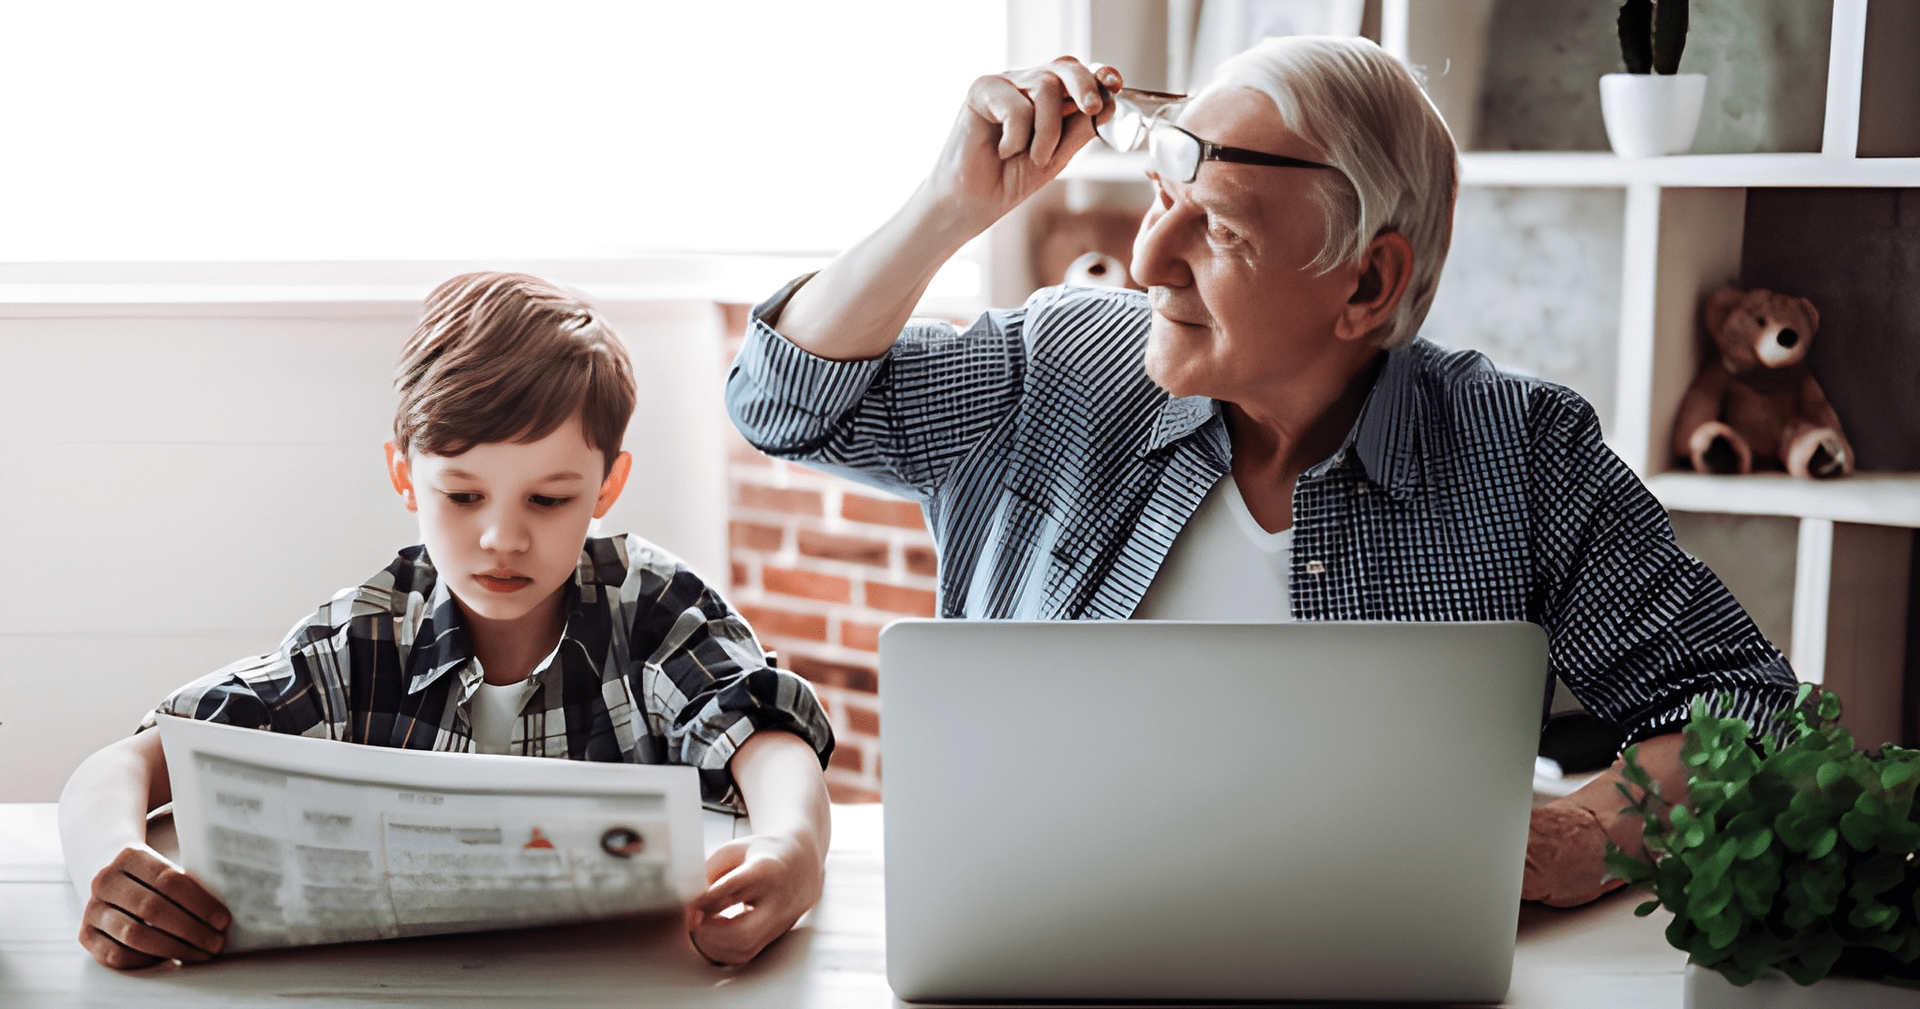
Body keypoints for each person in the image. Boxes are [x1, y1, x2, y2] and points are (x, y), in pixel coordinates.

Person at [725, 37, 1798, 906]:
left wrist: (1593, 832)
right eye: (1158, 200)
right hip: (1036, 944)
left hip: (1373, 972)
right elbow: (782, 403)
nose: (1147, 261)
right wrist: (945, 210)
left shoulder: (1521, 453)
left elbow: (1743, 704)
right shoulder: (1055, 361)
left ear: (1369, 283)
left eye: (1219, 231)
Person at [60, 272, 834, 969]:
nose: (502, 537)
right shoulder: (364, 637)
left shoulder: (653, 607)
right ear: (406, 476)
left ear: (607, 484)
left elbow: (768, 736)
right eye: (463, 496)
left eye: (549, 498)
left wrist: (792, 843)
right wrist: (110, 853)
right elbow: (124, 763)